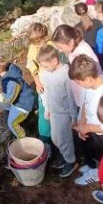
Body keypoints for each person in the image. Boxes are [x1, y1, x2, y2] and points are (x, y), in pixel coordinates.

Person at [68, 55, 103, 186]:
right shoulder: (93, 85)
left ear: (88, 79)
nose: (79, 85)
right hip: (89, 127)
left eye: (79, 82)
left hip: (101, 134)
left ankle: (96, 173)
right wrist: (82, 120)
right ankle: (91, 166)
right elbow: (85, 102)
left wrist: (88, 128)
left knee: (99, 155)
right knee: (87, 147)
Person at [37, 45, 80, 178]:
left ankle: (71, 161)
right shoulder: (46, 73)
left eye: (45, 66)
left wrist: (74, 117)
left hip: (65, 113)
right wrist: (47, 108)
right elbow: (47, 92)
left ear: (55, 61)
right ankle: (64, 155)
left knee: (64, 139)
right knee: (56, 138)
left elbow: (71, 98)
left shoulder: (66, 75)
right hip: (54, 112)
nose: (43, 69)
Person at [0, 55, 35, 139]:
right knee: (2, 102)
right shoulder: (10, 70)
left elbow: (9, 99)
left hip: (23, 104)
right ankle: (12, 112)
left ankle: (22, 139)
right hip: (24, 97)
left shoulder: (11, 81)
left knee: (11, 123)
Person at [26, 23, 53, 148]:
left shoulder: (52, 45)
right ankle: (46, 141)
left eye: (39, 40)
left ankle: (59, 137)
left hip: (55, 82)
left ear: (45, 36)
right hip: (43, 83)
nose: (37, 43)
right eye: (34, 41)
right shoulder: (33, 48)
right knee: (44, 114)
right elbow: (32, 68)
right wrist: (37, 83)